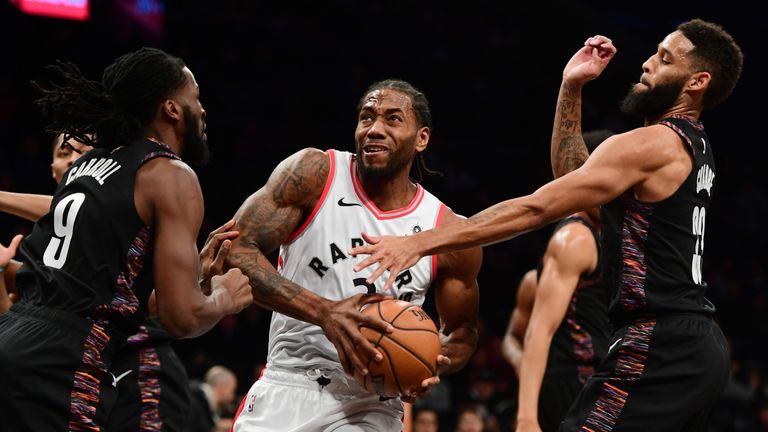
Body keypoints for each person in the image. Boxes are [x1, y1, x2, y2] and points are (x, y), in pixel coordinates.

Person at [351, 19, 743, 430]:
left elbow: (538, 208)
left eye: (664, 58)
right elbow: (571, 175)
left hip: (661, 342)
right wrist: (571, 87)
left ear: (698, 81)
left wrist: (422, 242)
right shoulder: (694, 145)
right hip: (695, 346)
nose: (646, 64)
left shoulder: (654, 144)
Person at [0, 47, 253, 431]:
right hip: (65, 361)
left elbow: (109, 289)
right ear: (171, 108)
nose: (202, 110)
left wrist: (196, 280)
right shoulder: (169, 174)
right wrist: (223, 298)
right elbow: (181, 318)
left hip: (14, 338)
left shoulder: (86, 166)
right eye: (195, 97)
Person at [226, 79, 483, 431]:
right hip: (291, 382)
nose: (375, 129)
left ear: (421, 138)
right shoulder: (315, 174)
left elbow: (462, 331)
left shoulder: (448, 231)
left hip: (372, 403)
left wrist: (428, 360)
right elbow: (235, 251)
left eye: (393, 119)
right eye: (367, 118)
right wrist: (325, 313)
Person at [0, 132, 205, 432]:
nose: (72, 158)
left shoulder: (120, 206)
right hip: (77, 361)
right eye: (64, 152)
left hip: (139, 361)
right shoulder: (48, 237)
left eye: (83, 151)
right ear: (52, 167)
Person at [502, 131, 614, 432]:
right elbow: (536, 332)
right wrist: (526, 416)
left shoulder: (615, 239)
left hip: (605, 385)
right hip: (572, 385)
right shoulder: (575, 239)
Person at [187, 365, 238, 432]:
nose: (233, 397)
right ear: (223, 387)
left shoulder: (201, 401)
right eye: (232, 391)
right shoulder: (193, 400)